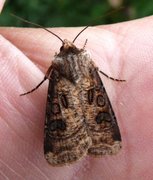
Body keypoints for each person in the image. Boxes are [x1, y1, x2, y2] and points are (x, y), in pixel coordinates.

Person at [0, 1, 153, 179]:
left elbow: (47, 77)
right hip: (92, 94)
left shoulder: (56, 66)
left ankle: (63, 150)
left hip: (61, 104)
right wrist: (108, 76)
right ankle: (104, 142)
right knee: (97, 105)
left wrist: (38, 84)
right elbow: (97, 68)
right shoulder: (87, 61)